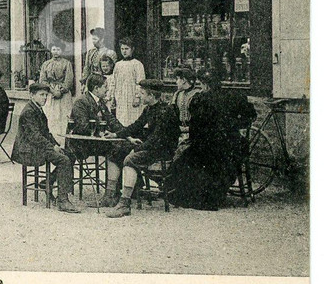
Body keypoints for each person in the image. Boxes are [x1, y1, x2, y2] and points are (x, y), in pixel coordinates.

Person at [164, 69, 257, 210]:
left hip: (209, 146)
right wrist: (234, 126)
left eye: (201, 84)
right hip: (232, 145)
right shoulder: (233, 96)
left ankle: (199, 196)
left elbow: (195, 128)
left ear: (204, 85)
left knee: (186, 159)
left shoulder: (200, 100)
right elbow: (249, 115)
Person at [106, 79, 182, 217]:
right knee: (116, 152)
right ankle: (110, 196)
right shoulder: (149, 109)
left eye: (141, 93)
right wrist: (116, 134)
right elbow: (136, 126)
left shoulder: (166, 111)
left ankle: (124, 204)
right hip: (152, 147)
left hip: (163, 151)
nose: (139, 96)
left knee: (130, 159)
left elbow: (157, 139)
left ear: (151, 96)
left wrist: (137, 148)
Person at [11, 82, 80, 214]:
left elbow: (46, 133)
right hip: (28, 149)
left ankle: (47, 182)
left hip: (37, 146)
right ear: (32, 95)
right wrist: (52, 147)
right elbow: (35, 137)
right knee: (64, 160)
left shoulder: (37, 108)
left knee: (70, 155)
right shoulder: (29, 111)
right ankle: (62, 200)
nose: (44, 98)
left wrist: (57, 145)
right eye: (41, 95)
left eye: (46, 95)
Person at [40, 44, 74, 138]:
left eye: (58, 49)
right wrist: (52, 90)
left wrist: (60, 91)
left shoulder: (67, 64)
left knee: (63, 118)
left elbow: (69, 80)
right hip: (50, 94)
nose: (55, 52)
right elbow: (42, 80)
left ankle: (63, 142)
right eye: (53, 49)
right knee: (51, 118)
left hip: (63, 96)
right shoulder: (46, 64)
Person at [111, 38, 146, 125]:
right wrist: (113, 97)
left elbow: (140, 83)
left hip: (132, 97)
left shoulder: (137, 64)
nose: (124, 51)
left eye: (127, 49)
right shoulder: (118, 65)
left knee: (132, 119)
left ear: (132, 49)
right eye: (122, 49)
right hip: (120, 97)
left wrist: (137, 97)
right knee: (121, 119)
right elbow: (113, 82)